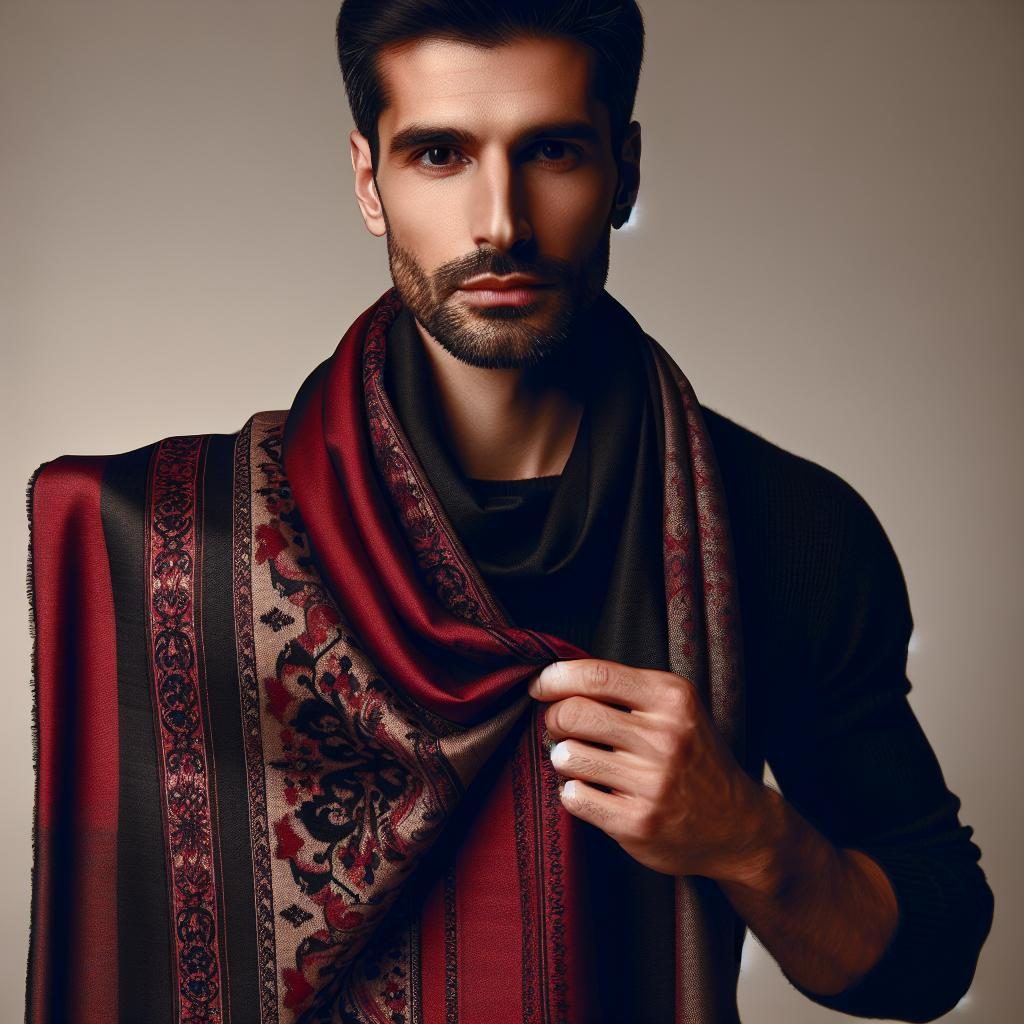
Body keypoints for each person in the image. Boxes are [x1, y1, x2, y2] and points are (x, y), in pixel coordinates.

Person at [24, 2, 993, 1022]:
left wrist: (750, 837)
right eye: (439, 153)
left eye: (553, 152)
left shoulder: (780, 522)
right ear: (370, 181)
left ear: (623, 171)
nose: (500, 221)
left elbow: (929, 957)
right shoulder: (179, 545)